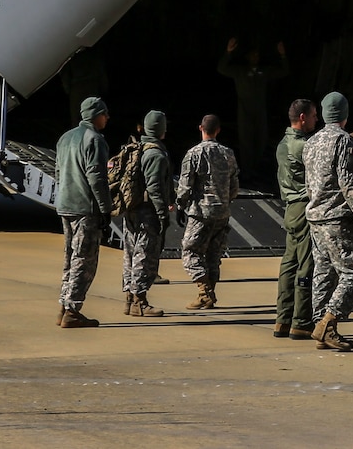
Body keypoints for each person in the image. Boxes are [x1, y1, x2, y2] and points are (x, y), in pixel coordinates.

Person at [303, 90, 353, 352]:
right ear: (344, 114)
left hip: (316, 217)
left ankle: (320, 326)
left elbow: (309, 182)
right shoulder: (344, 142)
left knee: (324, 272)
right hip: (338, 218)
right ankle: (329, 321)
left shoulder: (311, 142)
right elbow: (349, 181)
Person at [54, 95, 113, 329]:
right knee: (84, 260)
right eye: (105, 113)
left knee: (70, 257)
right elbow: (96, 177)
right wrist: (105, 208)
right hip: (85, 208)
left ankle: (63, 305)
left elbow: (58, 172)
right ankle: (72, 310)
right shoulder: (95, 140)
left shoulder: (65, 138)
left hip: (65, 205)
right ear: (95, 115)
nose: (107, 117)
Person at [176, 113, 240, 309]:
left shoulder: (194, 153)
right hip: (222, 211)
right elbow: (234, 185)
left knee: (190, 251)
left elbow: (186, 184)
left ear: (200, 128)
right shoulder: (228, 153)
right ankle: (210, 293)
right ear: (218, 130)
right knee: (214, 254)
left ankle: (204, 291)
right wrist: (225, 201)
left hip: (201, 212)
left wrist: (181, 204)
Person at [118, 109, 176, 317]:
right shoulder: (156, 154)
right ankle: (140, 302)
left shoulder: (137, 148)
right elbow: (154, 188)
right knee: (145, 256)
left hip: (131, 209)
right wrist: (162, 214)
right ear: (161, 129)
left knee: (130, 254)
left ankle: (129, 298)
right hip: (147, 212)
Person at [273, 97, 318, 338]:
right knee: (306, 264)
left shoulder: (283, 143)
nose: (316, 119)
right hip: (303, 207)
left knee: (289, 264)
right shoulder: (305, 147)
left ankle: (283, 319)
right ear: (302, 118)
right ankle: (301, 321)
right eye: (313, 115)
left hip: (291, 207)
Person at [217, 37, 288, 172]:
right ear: (247, 57)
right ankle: (247, 171)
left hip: (260, 111)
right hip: (244, 110)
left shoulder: (264, 71)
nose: (255, 57)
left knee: (261, 140)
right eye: (252, 55)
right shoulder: (240, 71)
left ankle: (258, 169)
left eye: (257, 55)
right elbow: (222, 68)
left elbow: (284, 71)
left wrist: (282, 55)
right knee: (246, 141)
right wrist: (228, 52)